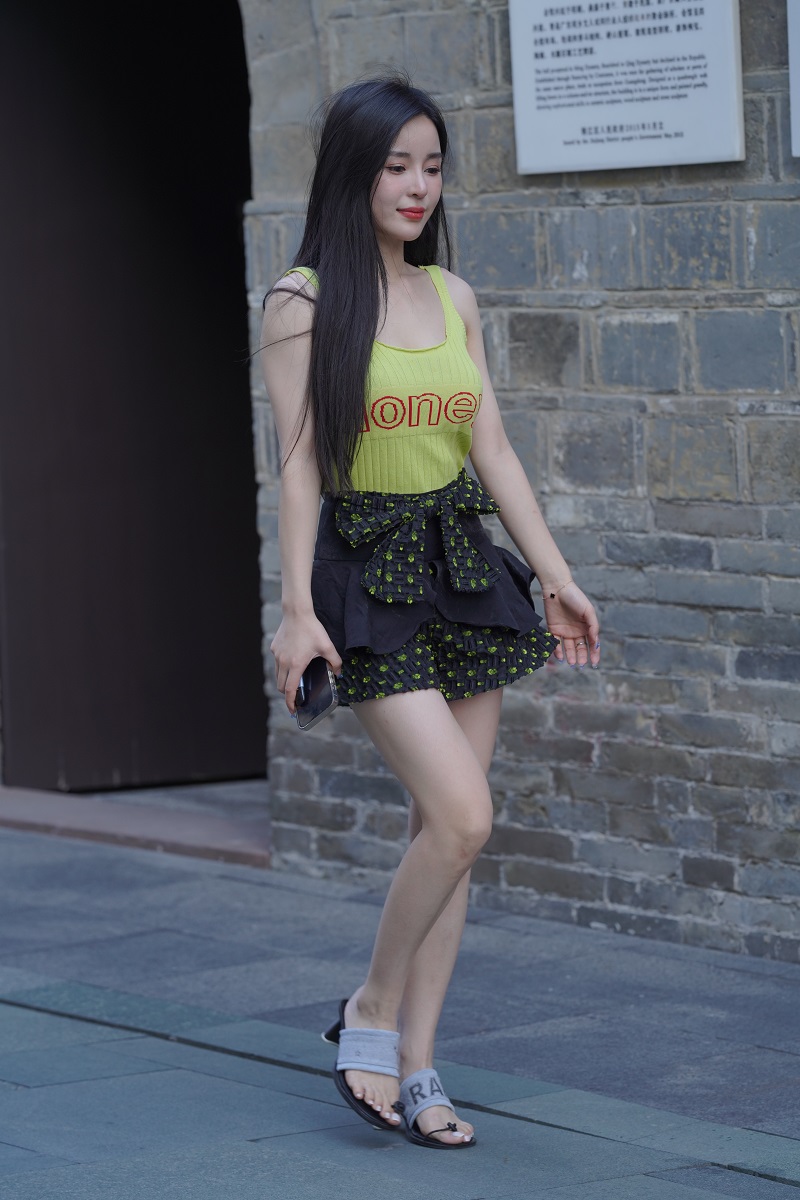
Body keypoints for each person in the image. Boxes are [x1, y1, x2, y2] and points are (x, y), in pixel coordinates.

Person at [260, 73, 600, 1150]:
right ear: (352, 174)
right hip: (366, 577)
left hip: (461, 568)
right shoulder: (302, 302)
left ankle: (417, 1067)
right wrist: (295, 610)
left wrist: (553, 574)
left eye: (432, 166)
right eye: (395, 166)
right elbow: (299, 466)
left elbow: (490, 448)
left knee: (442, 837)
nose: (417, 186)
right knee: (463, 814)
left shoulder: (452, 295)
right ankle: (368, 1007)